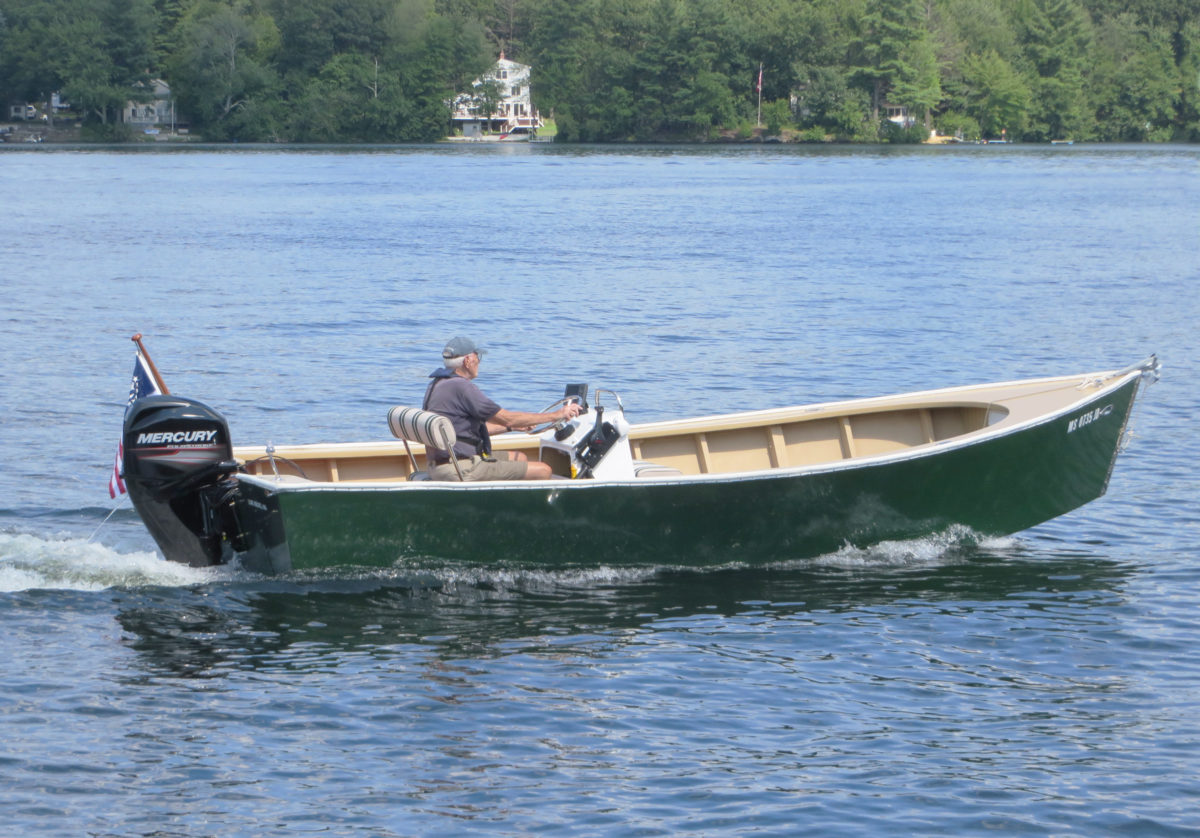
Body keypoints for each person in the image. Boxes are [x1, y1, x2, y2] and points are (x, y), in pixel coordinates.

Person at [422, 336, 582, 481]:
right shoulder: (462, 387)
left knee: (519, 458)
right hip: (461, 467)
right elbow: (506, 416)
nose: (479, 362)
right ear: (468, 360)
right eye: (478, 357)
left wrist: (511, 427)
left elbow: (463, 431)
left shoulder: (437, 384)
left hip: (441, 464)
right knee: (543, 470)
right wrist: (556, 415)